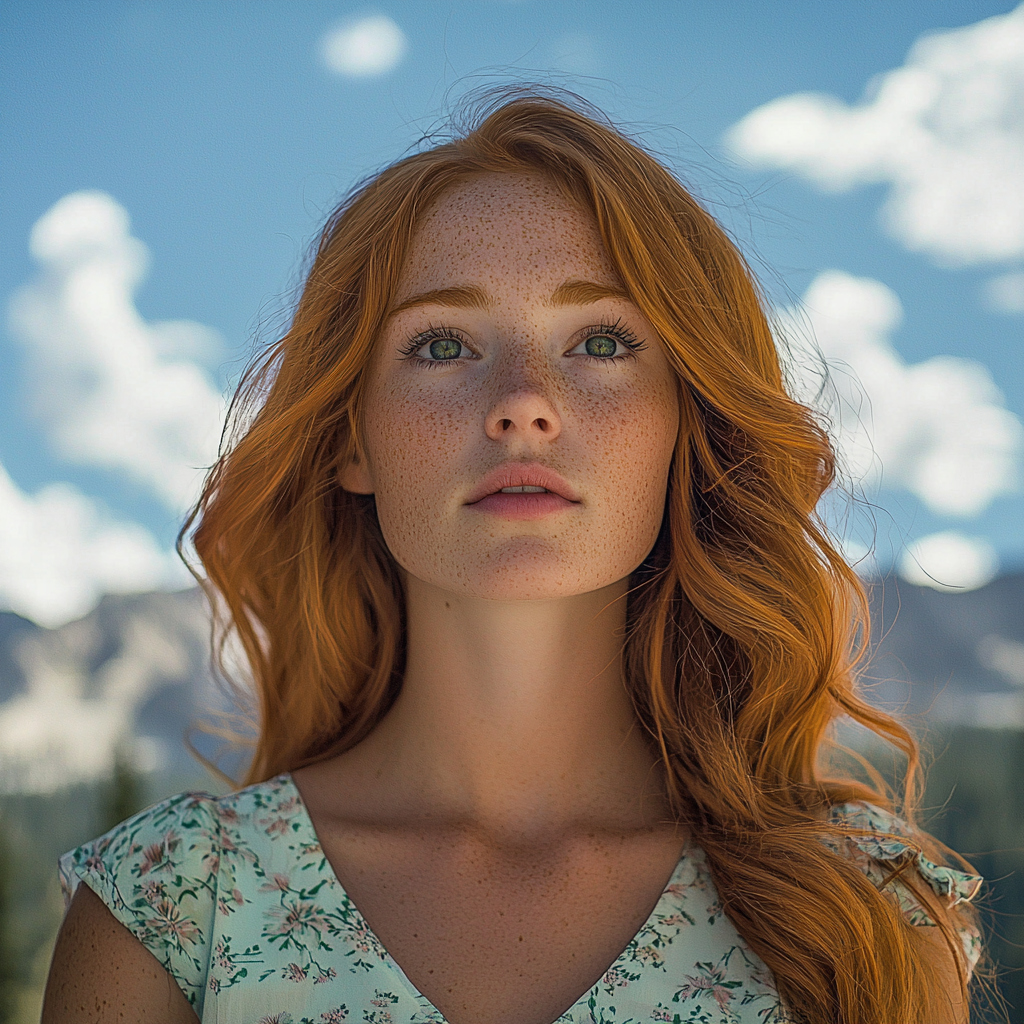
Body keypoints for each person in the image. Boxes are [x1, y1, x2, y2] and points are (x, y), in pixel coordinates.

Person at [42, 90, 983, 1024]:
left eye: (601, 341)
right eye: (444, 344)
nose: (524, 403)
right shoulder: (172, 909)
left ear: (684, 426)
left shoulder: (867, 912)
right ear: (351, 440)